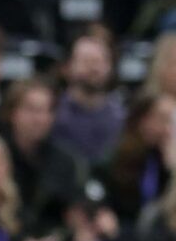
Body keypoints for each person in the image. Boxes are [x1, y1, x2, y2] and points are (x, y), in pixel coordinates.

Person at [1, 76, 86, 241]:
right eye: (31, 110)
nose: (39, 119)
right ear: (12, 113)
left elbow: (74, 214)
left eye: (46, 111)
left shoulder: (65, 161)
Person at [50, 27, 127, 166]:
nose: (94, 68)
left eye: (99, 61)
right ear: (67, 68)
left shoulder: (122, 118)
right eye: (86, 61)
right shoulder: (51, 115)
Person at [101, 91, 176, 223]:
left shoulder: (157, 154)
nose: (167, 128)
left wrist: (169, 164)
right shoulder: (119, 151)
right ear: (143, 118)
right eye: (162, 119)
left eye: (169, 121)